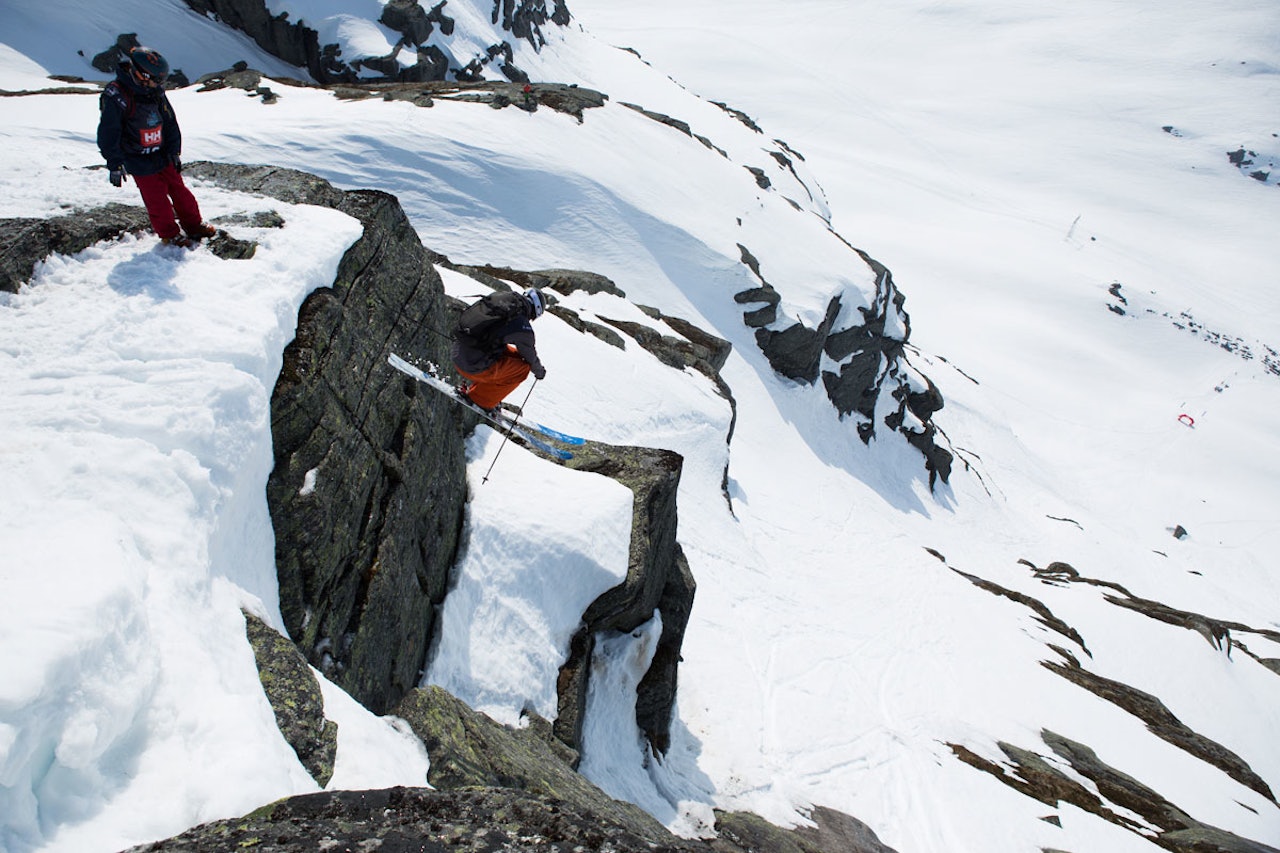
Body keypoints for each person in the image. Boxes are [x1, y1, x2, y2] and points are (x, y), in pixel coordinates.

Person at [97, 46, 216, 249]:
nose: (158, 84)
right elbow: (109, 132)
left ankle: (194, 225)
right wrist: (115, 163)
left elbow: (169, 121)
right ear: (140, 75)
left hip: (161, 153)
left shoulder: (154, 92)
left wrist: (174, 151)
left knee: (180, 191)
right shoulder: (116, 95)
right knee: (156, 199)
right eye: (155, 79)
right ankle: (170, 235)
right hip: (137, 157)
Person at [452, 288, 548, 412]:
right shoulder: (521, 325)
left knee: (514, 354)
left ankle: (480, 391)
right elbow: (530, 356)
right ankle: (480, 400)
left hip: (457, 352)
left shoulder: (500, 300)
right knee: (523, 369)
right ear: (534, 312)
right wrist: (539, 372)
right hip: (471, 367)